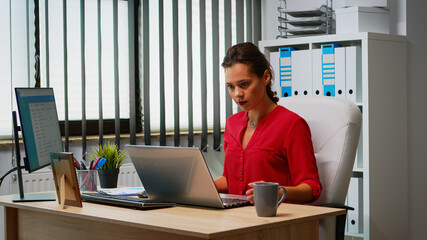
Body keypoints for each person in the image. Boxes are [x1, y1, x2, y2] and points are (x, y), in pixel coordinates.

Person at [214, 42, 322, 203]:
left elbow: (312, 188)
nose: (237, 94)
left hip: (273, 218)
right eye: (231, 86)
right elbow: (229, 179)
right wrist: (191, 186)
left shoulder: (292, 125)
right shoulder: (232, 124)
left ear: (265, 77)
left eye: (244, 84)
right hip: (236, 216)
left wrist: (277, 192)